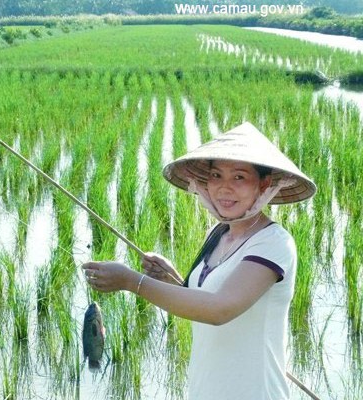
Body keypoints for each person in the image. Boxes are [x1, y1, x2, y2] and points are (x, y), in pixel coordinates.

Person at [82, 122, 316, 400]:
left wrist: (133, 281)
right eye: (216, 175)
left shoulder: (273, 243)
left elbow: (219, 309)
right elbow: (207, 299)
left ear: (264, 184)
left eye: (239, 177)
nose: (224, 188)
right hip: (208, 389)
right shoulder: (218, 234)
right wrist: (172, 279)